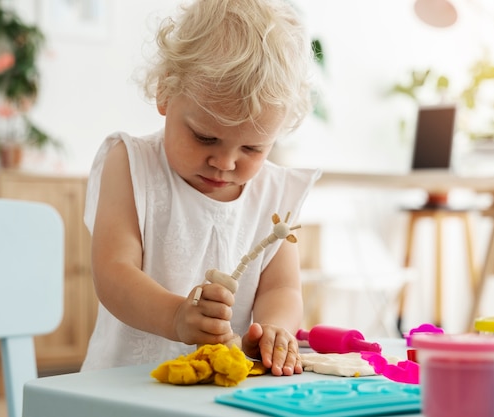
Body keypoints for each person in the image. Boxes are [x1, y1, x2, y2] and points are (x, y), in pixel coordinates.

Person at [81, 0, 321, 377]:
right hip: (124, 387)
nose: (225, 163)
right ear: (165, 92)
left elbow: (281, 290)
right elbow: (113, 270)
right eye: (205, 137)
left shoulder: (275, 193)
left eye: (252, 148)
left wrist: (275, 328)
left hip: (218, 392)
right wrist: (176, 316)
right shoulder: (131, 163)